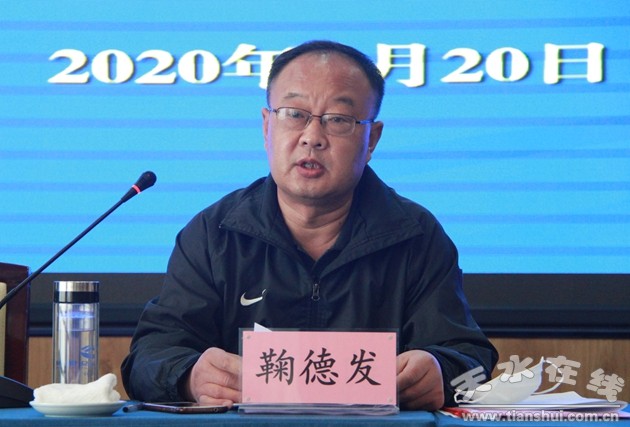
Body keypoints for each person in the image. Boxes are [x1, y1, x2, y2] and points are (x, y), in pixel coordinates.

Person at [121, 40, 497, 411]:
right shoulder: (214, 234)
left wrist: (441, 371)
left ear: (372, 139)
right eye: (294, 113)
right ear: (267, 126)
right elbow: (149, 356)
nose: (312, 138)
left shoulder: (416, 236)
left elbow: (472, 361)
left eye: (339, 119)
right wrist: (188, 376)